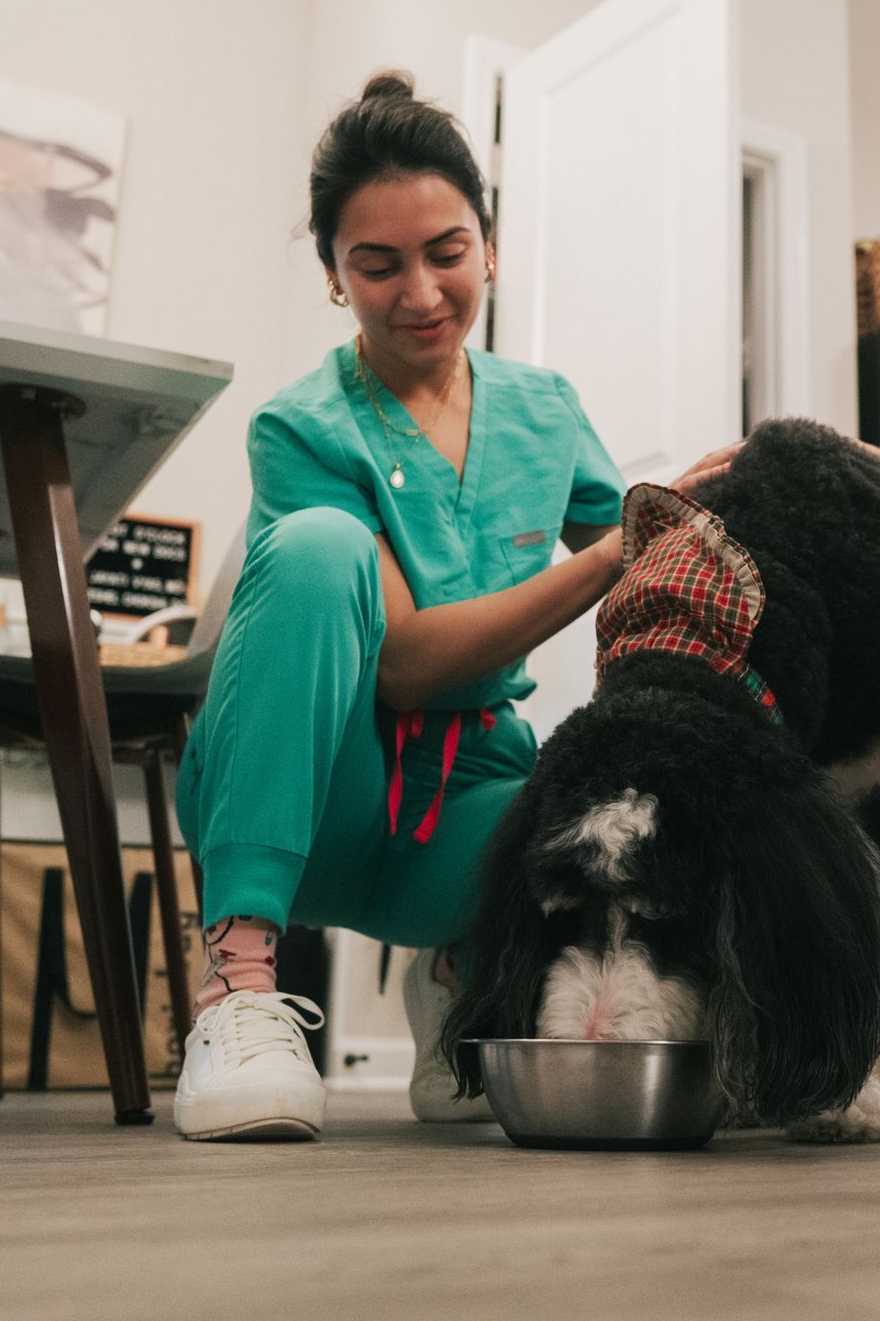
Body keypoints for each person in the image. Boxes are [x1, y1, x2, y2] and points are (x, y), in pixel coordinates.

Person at [171, 71, 738, 1141]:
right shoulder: (298, 429)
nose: (420, 293)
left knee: (612, 768)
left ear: (490, 246)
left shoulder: (545, 408)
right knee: (318, 547)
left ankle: (461, 975)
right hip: (321, 794)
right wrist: (627, 541)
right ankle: (241, 989)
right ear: (334, 276)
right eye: (377, 265)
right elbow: (411, 664)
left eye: (447, 253)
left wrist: (727, 511)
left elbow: (650, 581)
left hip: (470, 812)